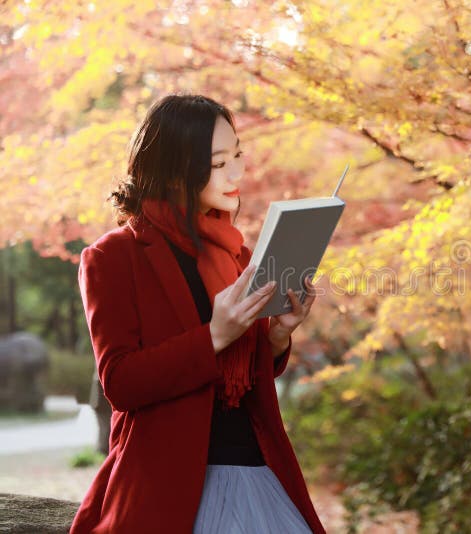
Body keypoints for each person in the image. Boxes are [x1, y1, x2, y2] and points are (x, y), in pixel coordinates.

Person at [70, 94, 326, 533]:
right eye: (218, 161)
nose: (237, 172)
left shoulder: (239, 254)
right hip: (166, 487)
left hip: (257, 473)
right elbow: (121, 383)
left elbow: (248, 381)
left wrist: (277, 337)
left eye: (238, 155)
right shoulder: (113, 257)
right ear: (174, 168)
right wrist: (214, 336)